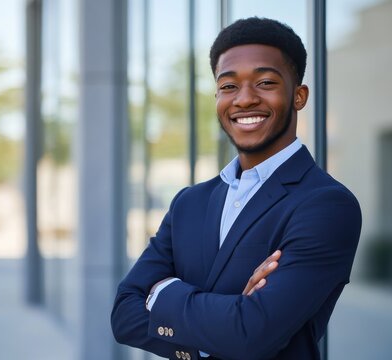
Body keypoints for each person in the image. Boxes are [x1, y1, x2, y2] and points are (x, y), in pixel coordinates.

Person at [111, 17, 361, 360]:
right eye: (228, 86)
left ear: (299, 96)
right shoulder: (189, 202)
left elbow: (252, 334)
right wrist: (226, 318)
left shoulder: (326, 205)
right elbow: (124, 314)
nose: (244, 99)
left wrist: (164, 294)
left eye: (265, 82)